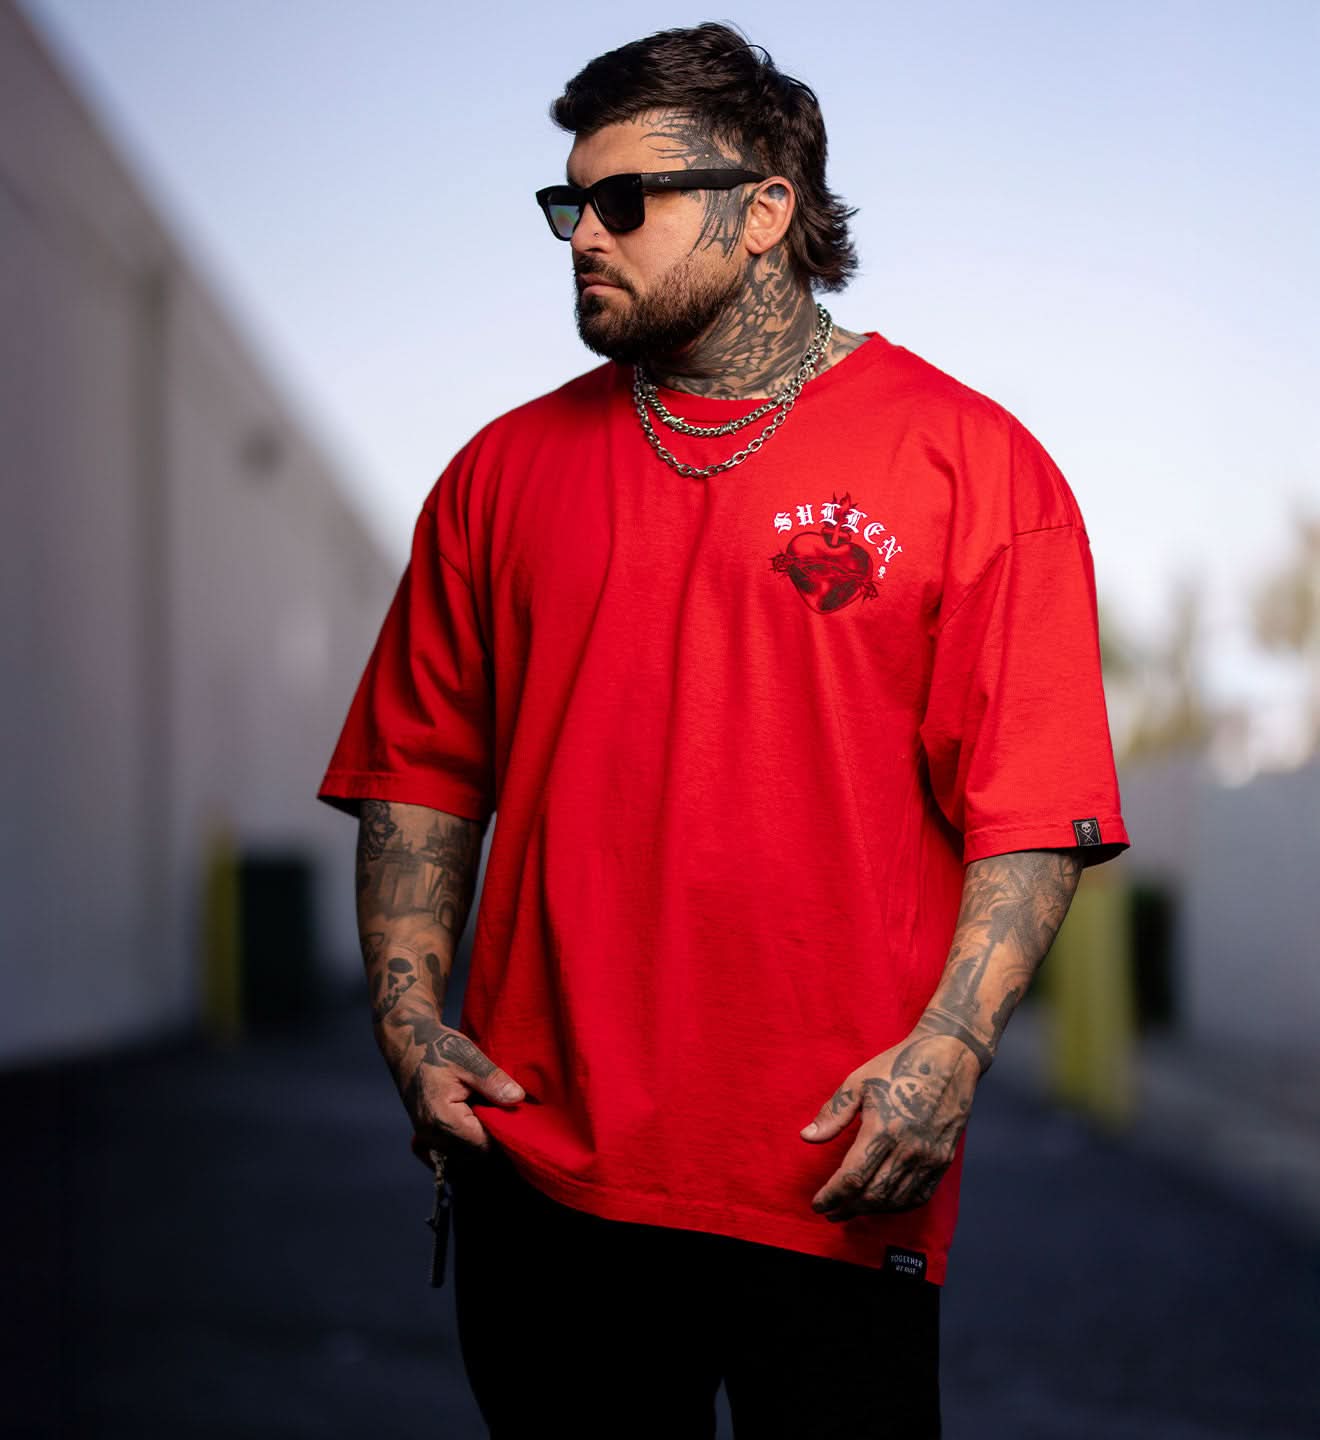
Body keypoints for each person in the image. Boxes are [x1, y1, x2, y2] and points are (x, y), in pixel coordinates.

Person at [317, 21, 1129, 1438]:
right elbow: (421, 778)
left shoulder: (972, 466)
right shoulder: (497, 475)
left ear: (766, 211)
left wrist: (951, 1048)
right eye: (570, 201)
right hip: (544, 1177)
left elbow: (1031, 809)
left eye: (627, 200)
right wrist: (408, 1022)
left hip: (834, 1169)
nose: (584, 233)